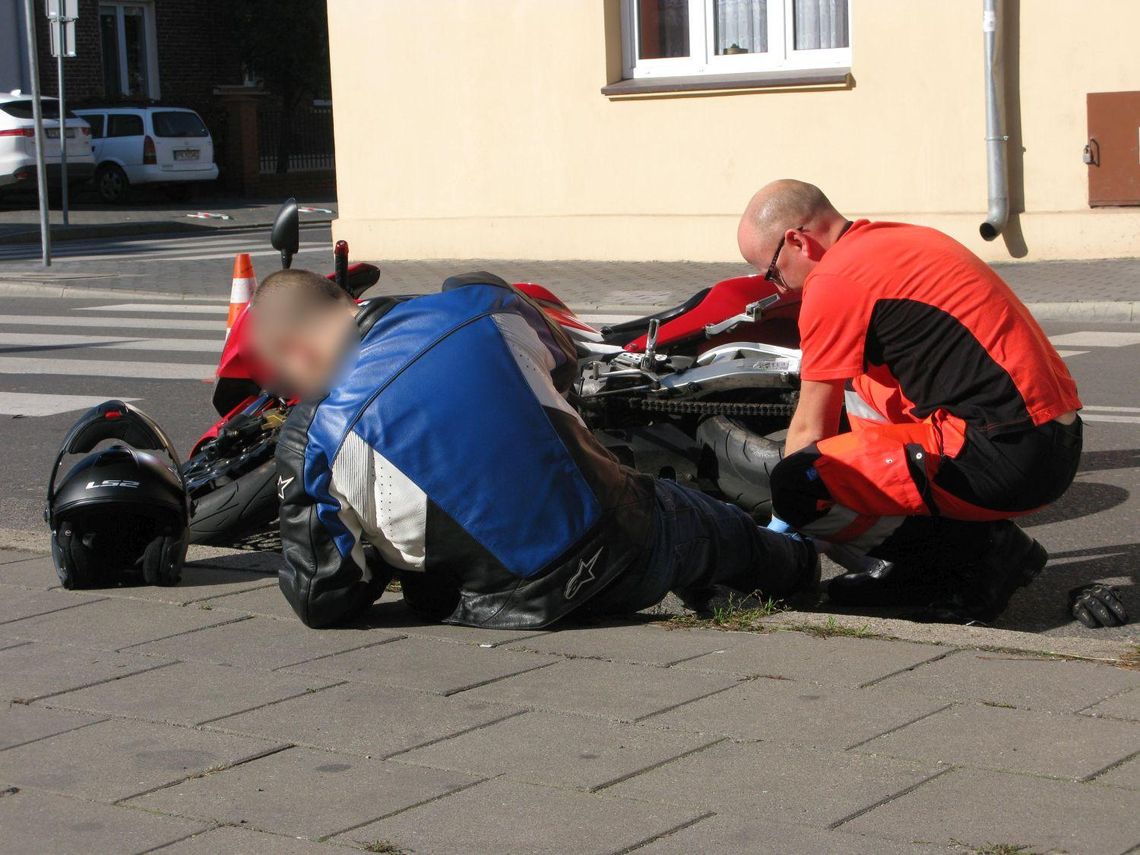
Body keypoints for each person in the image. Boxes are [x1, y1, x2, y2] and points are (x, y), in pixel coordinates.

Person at [249, 268, 817, 630]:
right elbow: (565, 363)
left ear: (295, 350)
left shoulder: (310, 433)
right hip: (628, 545)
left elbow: (322, 596)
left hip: (503, 604)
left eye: (284, 377)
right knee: (713, 527)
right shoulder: (480, 304)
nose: (292, 393)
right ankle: (803, 566)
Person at [737, 179, 1124, 627]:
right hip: (1050, 438)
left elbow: (809, 433)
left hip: (1004, 456)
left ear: (798, 241)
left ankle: (982, 561)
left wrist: (776, 537)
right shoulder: (899, 239)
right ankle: (928, 568)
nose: (780, 287)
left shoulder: (834, 281)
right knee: (861, 396)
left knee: (801, 482)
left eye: (772, 272)